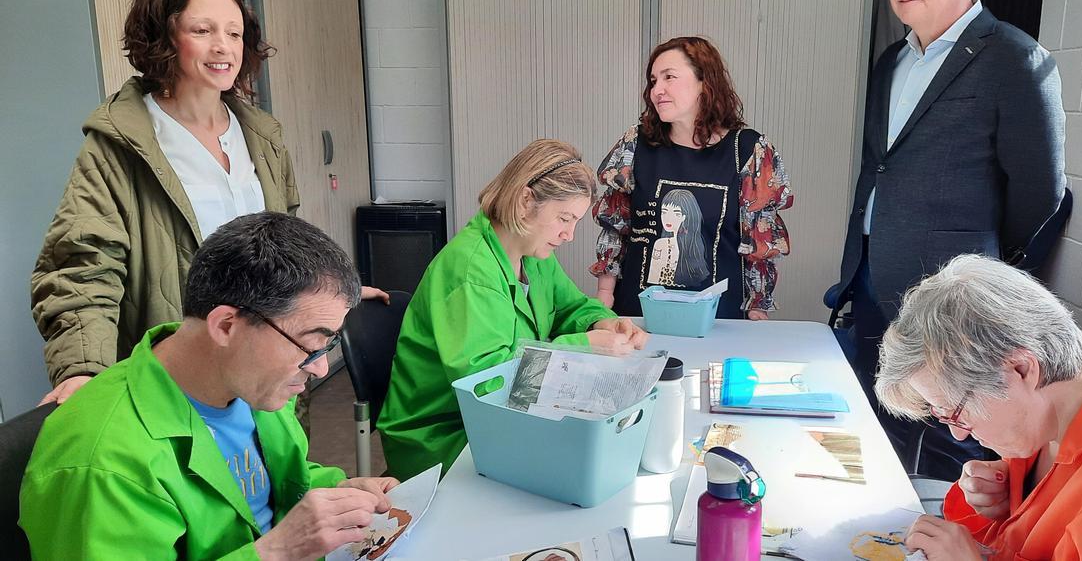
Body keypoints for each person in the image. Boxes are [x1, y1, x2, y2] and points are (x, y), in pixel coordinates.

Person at [31, 0, 384, 406]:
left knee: (273, 472)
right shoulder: (121, 145)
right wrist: (83, 369)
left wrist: (327, 292)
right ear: (164, 38)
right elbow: (81, 268)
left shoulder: (262, 136)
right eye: (203, 30)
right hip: (179, 375)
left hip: (267, 367)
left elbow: (284, 245)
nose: (224, 47)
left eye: (234, 34)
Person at [828, 0, 1066, 479]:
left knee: (945, 439)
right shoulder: (892, 62)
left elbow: (1040, 193)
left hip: (955, 294)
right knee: (875, 425)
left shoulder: (1013, 58)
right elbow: (878, 168)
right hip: (870, 274)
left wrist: (980, 265)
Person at [20, 212, 399, 560]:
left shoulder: (251, 386)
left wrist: (344, 491)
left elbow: (269, 485)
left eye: (328, 343)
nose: (319, 369)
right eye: (310, 344)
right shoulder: (102, 466)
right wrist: (277, 551)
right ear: (226, 326)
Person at [874, 255, 1082, 561]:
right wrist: (995, 508)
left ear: (1021, 369)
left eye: (956, 411)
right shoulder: (1054, 409)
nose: (958, 434)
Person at [377, 139, 649, 481]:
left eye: (576, 221)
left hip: (498, 420)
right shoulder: (471, 271)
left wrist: (604, 322)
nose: (569, 235)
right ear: (525, 202)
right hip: (442, 439)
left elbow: (571, 305)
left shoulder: (531, 254)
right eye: (564, 218)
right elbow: (487, 383)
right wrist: (584, 347)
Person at [592, 36, 793, 320]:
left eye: (669, 77)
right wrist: (604, 295)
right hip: (640, 317)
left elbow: (761, 239)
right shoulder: (636, 145)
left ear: (704, 83)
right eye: (653, 81)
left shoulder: (747, 150)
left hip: (718, 320)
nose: (656, 90)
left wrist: (757, 307)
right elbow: (616, 225)